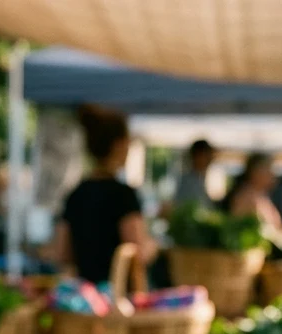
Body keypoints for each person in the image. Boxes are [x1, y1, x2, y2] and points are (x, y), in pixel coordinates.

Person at [53, 106, 157, 284]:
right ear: (118, 145)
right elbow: (138, 251)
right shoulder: (123, 195)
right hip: (118, 301)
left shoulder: (76, 193)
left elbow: (62, 252)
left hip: (85, 299)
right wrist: (154, 246)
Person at [226, 153, 282, 228]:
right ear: (256, 173)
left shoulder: (262, 195)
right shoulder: (243, 197)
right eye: (268, 170)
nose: (272, 174)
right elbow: (237, 228)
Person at [173, 139, 216, 208]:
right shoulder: (188, 182)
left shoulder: (200, 180)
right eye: (206, 156)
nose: (209, 160)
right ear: (196, 157)